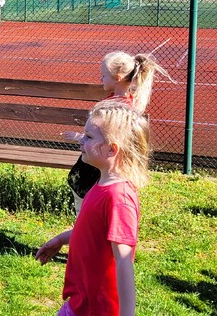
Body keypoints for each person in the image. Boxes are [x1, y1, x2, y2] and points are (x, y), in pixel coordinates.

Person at [36, 101, 152, 316]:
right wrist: (61, 239)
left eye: (88, 137)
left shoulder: (119, 197)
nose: (81, 140)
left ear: (111, 149)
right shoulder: (102, 184)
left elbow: (124, 262)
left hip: (97, 310)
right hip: (81, 302)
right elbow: (91, 231)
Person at [64, 51, 167, 212]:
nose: (101, 79)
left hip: (97, 169)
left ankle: (83, 222)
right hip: (98, 164)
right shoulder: (119, 103)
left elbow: (108, 139)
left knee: (86, 202)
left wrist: (79, 137)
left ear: (117, 78)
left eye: (104, 75)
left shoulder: (118, 111)